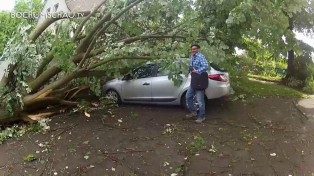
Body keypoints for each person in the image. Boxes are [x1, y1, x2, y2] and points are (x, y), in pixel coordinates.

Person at [185, 44, 209, 123]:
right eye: (192, 49)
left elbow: (206, 66)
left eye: (194, 49)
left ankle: (202, 117)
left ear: (199, 49)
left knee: (200, 100)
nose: (193, 50)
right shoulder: (192, 56)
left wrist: (197, 71)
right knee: (188, 96)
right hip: (194, 80)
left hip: (200, 81)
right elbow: (192, 66)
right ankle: (194, 112)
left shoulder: (200, 56)